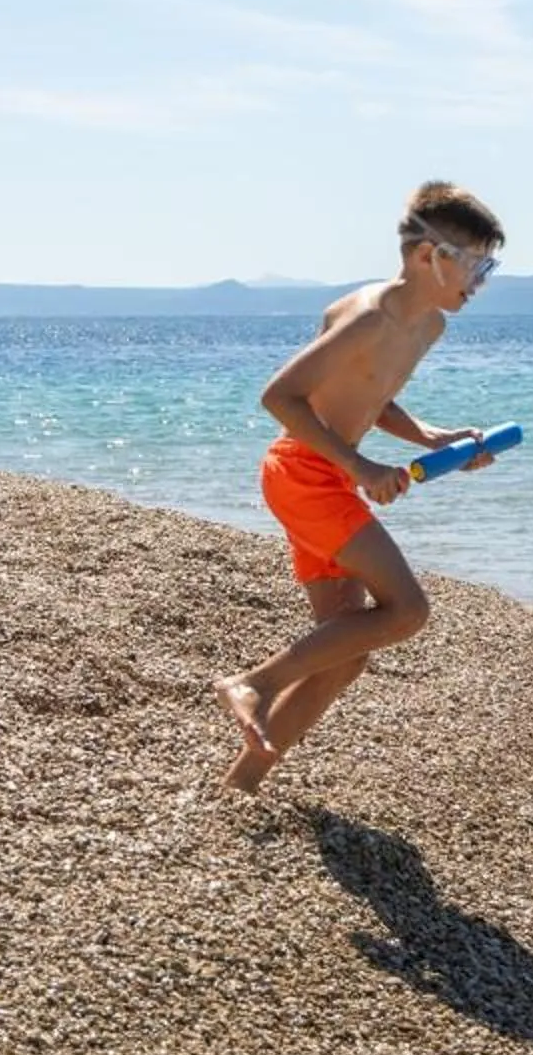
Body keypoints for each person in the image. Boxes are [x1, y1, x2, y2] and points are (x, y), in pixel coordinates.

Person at [210, 180, 507, 793]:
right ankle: (252, 685)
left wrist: (430, 437)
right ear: (431, 257)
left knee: (343, 656)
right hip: (303, 472)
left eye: (490, 266)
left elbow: (372, 393)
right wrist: (361, 468)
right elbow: (281, 397)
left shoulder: (427, 327)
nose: (481, 279)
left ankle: (240, 786)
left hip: (323, 474)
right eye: (476, 263)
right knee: (408, 609)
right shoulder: (369, 315)